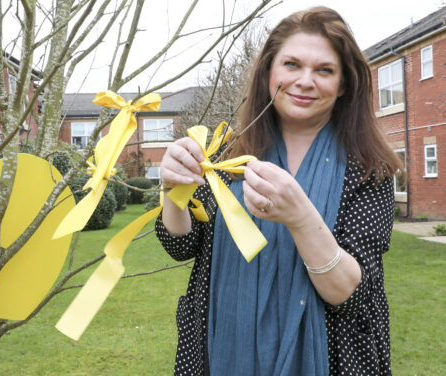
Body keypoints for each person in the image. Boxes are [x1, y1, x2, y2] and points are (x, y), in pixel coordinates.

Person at [156, 7, 401, 376]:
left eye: (324, 70)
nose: (305, 81)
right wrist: (172, 189)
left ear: (344, 84)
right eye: (291, 65)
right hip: (216, 350)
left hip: (333, 356)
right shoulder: (227, 154)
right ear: (269, 72)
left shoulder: (370, 170)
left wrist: (300, 217)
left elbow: (350, 295)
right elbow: (181, 246)